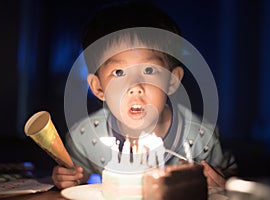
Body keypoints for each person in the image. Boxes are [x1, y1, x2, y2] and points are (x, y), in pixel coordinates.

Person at [52, 0, 237, 190]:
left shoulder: (199, 137)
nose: (135, 86)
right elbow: (76, 178)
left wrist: (223, 178)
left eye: (149, 70)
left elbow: (230, 176)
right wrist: (68, 177)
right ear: (98, 88)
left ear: (172, 81)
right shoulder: (85, 138)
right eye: (118, 73)